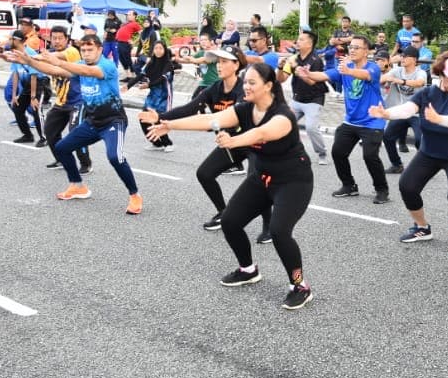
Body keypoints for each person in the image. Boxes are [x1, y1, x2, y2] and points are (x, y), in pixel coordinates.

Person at [148, 63, 314, 308]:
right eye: (245, 82)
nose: (246, 86)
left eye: (252, 82)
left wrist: (233, 141)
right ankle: (248, 269)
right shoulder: (245, 109)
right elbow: (210, 119)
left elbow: (260, 134)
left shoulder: (283, 115)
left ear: (268, 86)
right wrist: (169, 124)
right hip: (262, 177)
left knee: (279, 231)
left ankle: (299, 285)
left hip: (293, 181)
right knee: (229, 221)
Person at [139, 47, 271, 242]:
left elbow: (226, 119)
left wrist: (199, 125)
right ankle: (224, 212)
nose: (219, 65)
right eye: (218, 61)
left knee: (257, 183)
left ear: (237, 65)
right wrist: (160, 117)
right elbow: (190, 108)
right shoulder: (215, 88)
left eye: (225, 61)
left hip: (254, 142)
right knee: (205, 174)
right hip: (231, 142)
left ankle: (269, 225)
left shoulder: (244, 90)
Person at [14, 33, 143, 216]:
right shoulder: (80, 65)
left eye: (90, 49)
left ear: (100, 50)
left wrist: (58, 62)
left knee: (115, 157)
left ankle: (134, 195)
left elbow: (88, 72)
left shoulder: (107, 66)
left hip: (113, 121)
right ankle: (77, 185)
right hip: (93, 122)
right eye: (83, 50)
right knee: (61, 148)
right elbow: (55, 71)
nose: (86, 53)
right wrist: (29, 61)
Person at [371, 52, 448, 254]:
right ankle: (422, 228)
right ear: (441, 73)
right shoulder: (427, 93)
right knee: (407, 186)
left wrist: (438, 119)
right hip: (430, 152)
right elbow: (407, 109)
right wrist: (386, 114)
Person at [297, 33, 390, 204]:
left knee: (370, 156)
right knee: (338, 152)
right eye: (350, 47)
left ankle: (382, 189)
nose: (352, 50)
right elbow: (323, 75)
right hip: (350, 121)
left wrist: (349, 70)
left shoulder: (373, 67)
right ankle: (349, 185)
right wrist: (307, 73)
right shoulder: (344, 68)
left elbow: (365, 75)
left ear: (366, 51)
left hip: (372, 121)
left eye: (356, 47)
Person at [40, 26, 92, 175]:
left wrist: (40, 56)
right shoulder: (50, 54)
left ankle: (86, 163)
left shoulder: (72, 52)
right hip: (61, 102)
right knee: (49, 130)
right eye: (54, 38)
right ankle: (62, 159)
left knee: (76, 132)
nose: (57, 41)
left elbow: (58, 56)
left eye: (60, 38)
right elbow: (43, 67)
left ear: (67, 39)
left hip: (78, 101)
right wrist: (27, 59)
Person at [277, 29, 329, 166]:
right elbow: (281, 79)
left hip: (314, 99)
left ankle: (322, 152)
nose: (297, 42)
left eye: (301, 39)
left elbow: (311, 81)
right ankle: (289, 151)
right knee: (284, 123)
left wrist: (296, 67)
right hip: (297, 99)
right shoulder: (293, 58)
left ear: (310, 44)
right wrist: (280, 67)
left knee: (311, 128)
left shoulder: (316, 60)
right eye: (298, 39)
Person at [380, 46, 428, 173]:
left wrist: (400, 81)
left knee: (419, 140)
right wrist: (385, 78)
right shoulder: (397, 70)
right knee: (387, 137)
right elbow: (382, 78)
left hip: (418, 113)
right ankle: (397, 165)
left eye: (405, 56)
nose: (402, 58)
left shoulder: (420, 72)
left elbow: (419, 83)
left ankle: (425, 167)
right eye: (402, 56)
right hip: (403, 111)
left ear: (414, 59)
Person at [0, 31, 46, 145]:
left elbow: (34, 76)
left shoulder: (29, 53)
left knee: (36, 109)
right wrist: (14, 95)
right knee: (17, 108)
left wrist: (33, 97)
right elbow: (15, 74)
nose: (9, 41)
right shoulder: (15, 53)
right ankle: (27, 135)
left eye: (11, 39)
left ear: (17, 40)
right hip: (27, 86)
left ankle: (44, 138)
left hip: (39, 84)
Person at [135, 40, 178, 151]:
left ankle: (168, 144)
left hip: (164, 96)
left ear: (164, 50)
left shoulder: (168, 64)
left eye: (160, 48)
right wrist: (128, 86)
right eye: (156, 48)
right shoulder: (151, 62)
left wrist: (148, 85)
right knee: (143, 117)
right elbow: (141, 75)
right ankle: (156, 143)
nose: (158, 51)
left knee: (158, 120)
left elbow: (162, 79)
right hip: (153, 95)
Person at [115, 10, 141, 76]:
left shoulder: (135, 24)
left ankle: (132, 75)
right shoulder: (126, 23)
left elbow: (142, 34)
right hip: (119, 42)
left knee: (127, 59)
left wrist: (134, 42)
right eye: (127, 15)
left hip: (125, 44)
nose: (128, 16)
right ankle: (128, 76)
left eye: (129, 15)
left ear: (134, 16)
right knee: (121, 59)